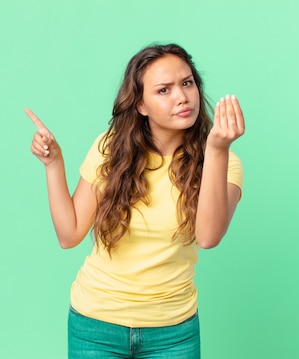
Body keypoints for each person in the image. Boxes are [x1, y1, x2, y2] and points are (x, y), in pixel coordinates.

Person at [25, 43, 244, 358]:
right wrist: (54, 164)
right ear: (140, 104)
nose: (182, 96)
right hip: (95, 325)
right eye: (163, 90)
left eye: (187, 83)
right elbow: (69, 234)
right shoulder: (111, 149)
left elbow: (209, 237)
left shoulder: (225, 161)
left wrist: (218, 149)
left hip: (174, 333)